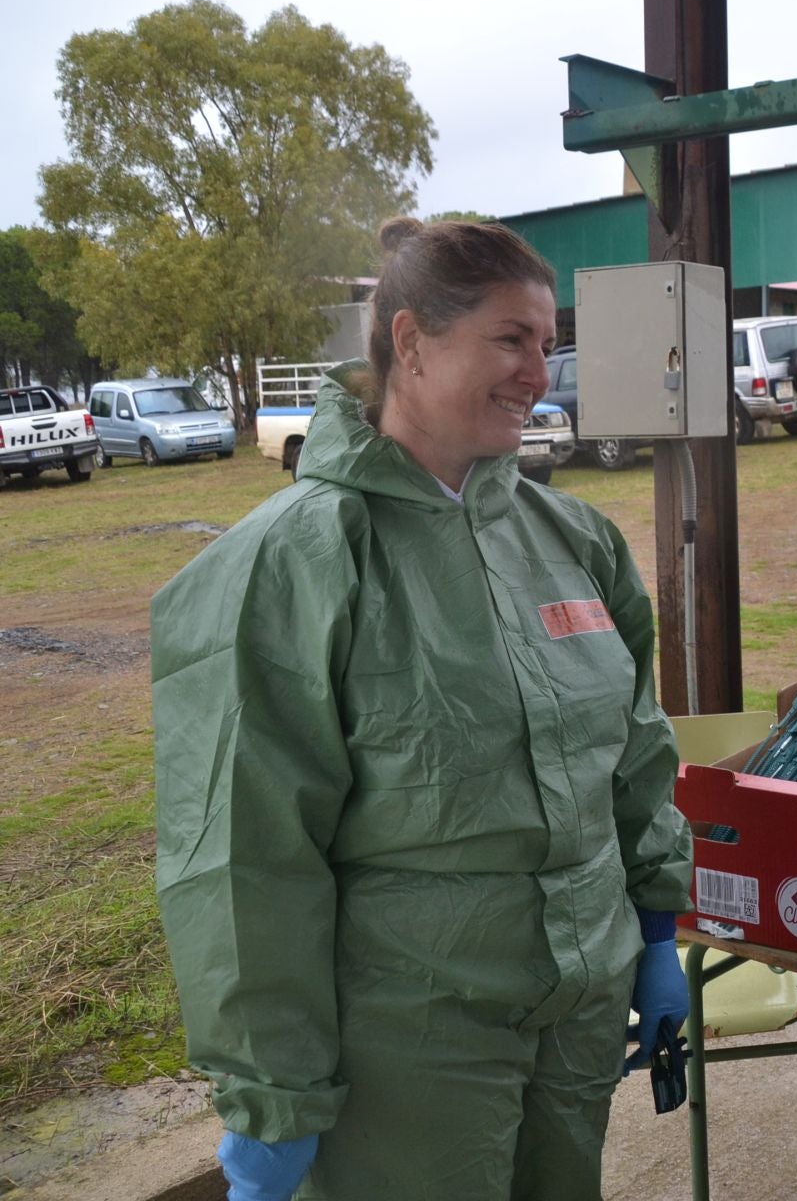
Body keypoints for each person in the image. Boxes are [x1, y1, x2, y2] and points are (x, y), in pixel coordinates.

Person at [153, 218, 694, 1201]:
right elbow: (242, 857)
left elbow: (636, 751)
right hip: (409, 1047)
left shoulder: (575, 541)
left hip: (576, 1018)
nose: (541, 368)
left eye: (546, 340)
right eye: (510, 338)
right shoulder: (293, 565)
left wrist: (656, 933)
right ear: (410, 341)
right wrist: (272, 1094)